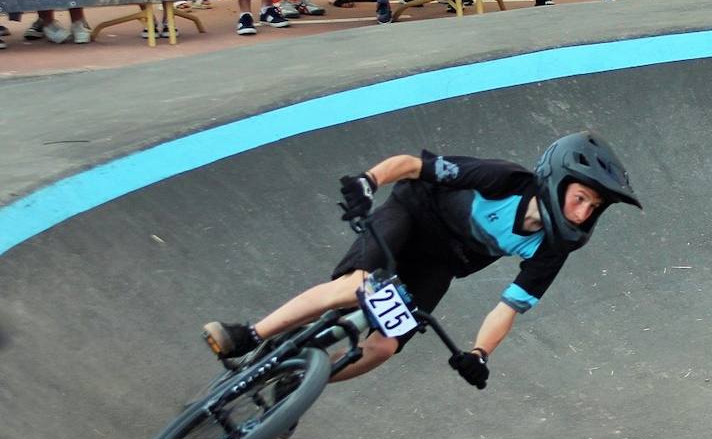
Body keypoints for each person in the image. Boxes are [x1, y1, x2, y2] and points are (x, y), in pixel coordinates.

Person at [201, 132, 642, 388]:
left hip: (439, 263)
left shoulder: (552, 248)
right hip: (411, 215)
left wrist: (480, 353)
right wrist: (367, 181)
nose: (583, 214)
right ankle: (248, 335)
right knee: (360, 285)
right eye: (581, 198)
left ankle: (302, 383)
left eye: (594, 208)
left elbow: (508, 308)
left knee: (384, 345)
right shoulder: (503, 178)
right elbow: (413, 165)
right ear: (558, 181)